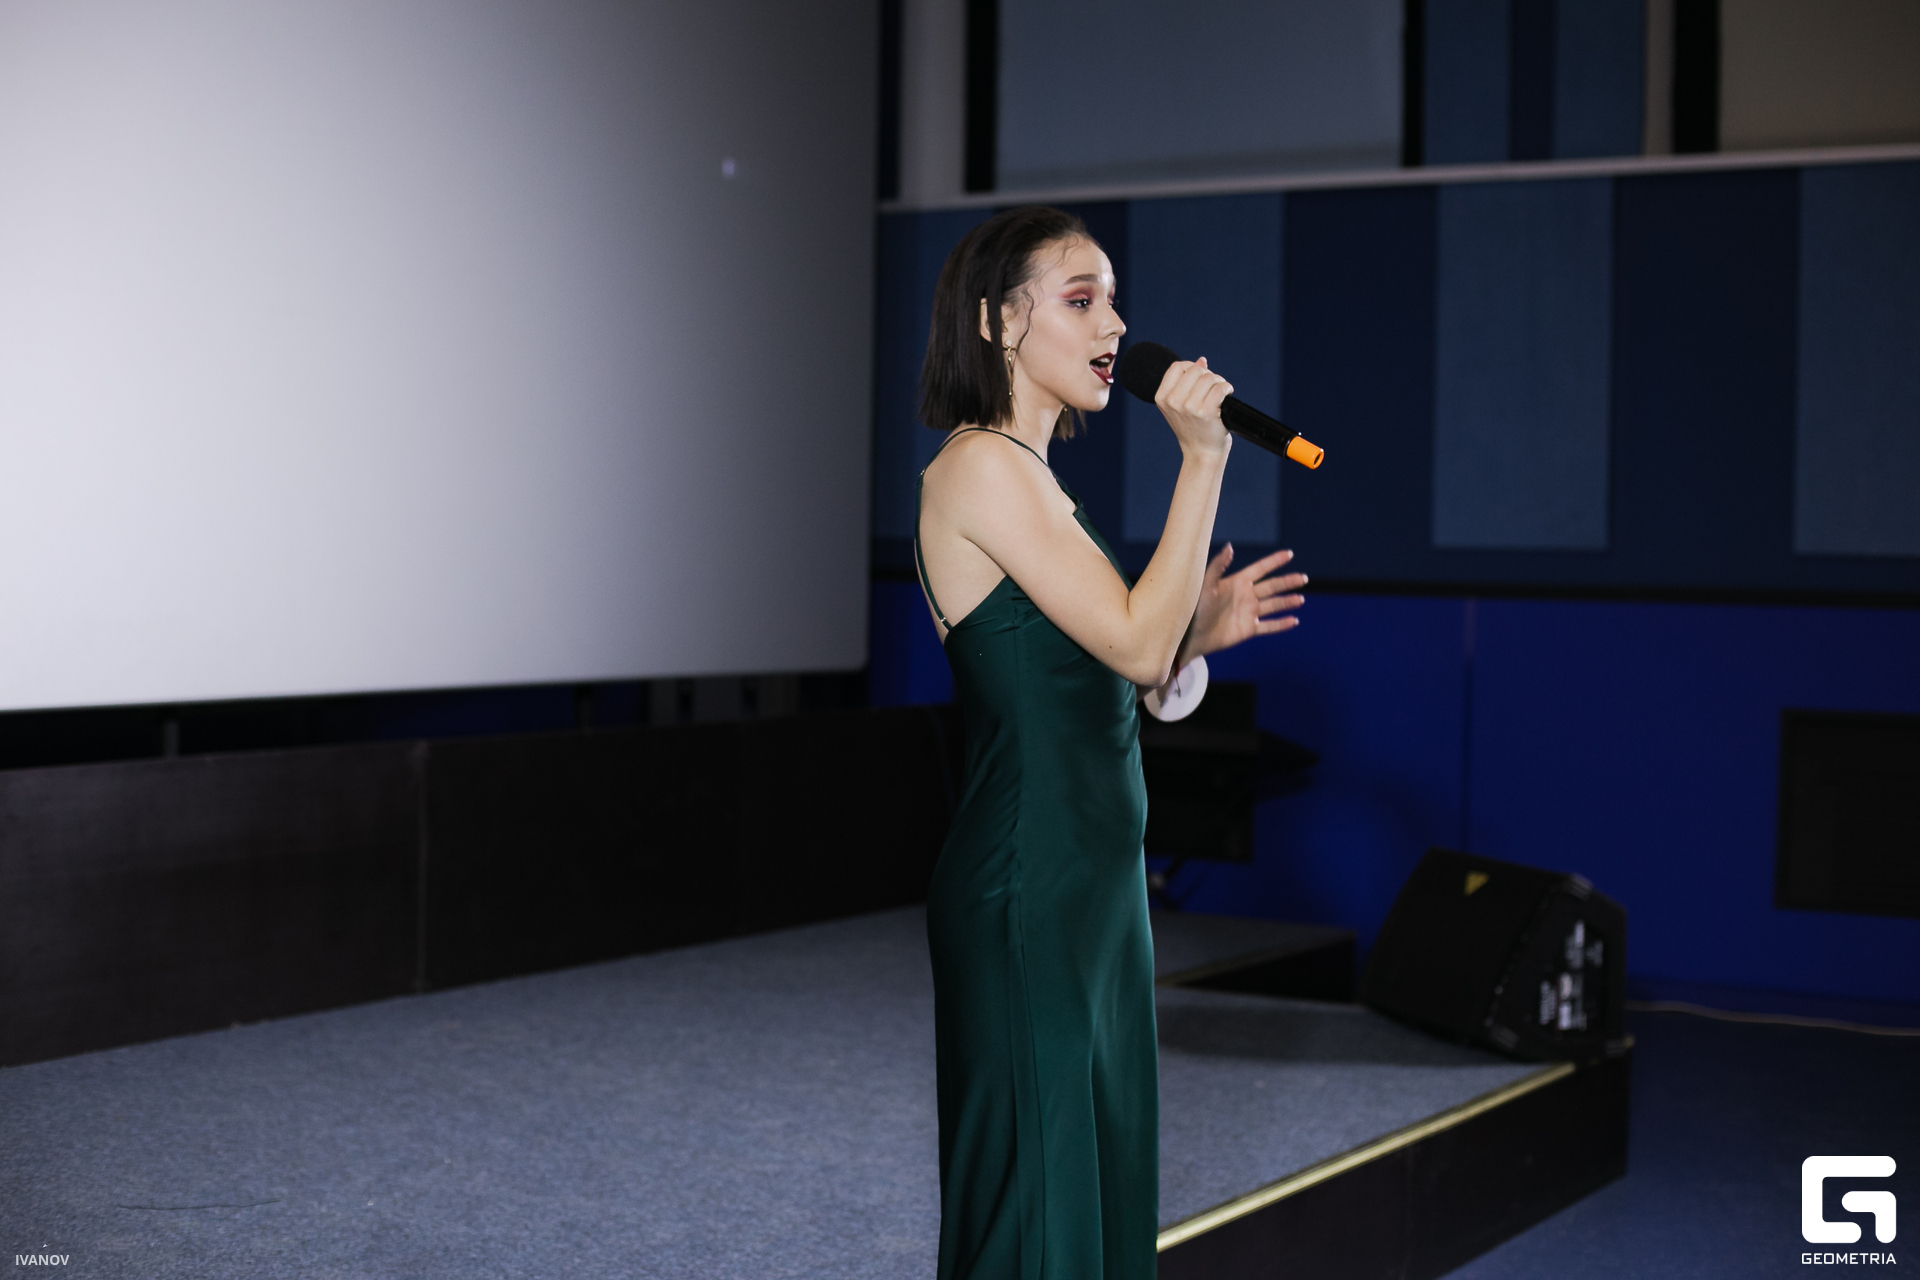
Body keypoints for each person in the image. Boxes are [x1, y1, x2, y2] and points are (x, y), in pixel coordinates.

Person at [912, 204, 1308, 1279]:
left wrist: (1192, 634)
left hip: (1094, 883)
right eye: (1082, 300)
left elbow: (1104, 676)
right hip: (1029, 879)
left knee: (1099, 1178)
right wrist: (1203, 461)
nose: (1115, 327)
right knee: (1037, 1202)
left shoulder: (1037, 479)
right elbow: (1131, 645)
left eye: (1114, 300)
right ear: (998, 320)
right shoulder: (979, 467)